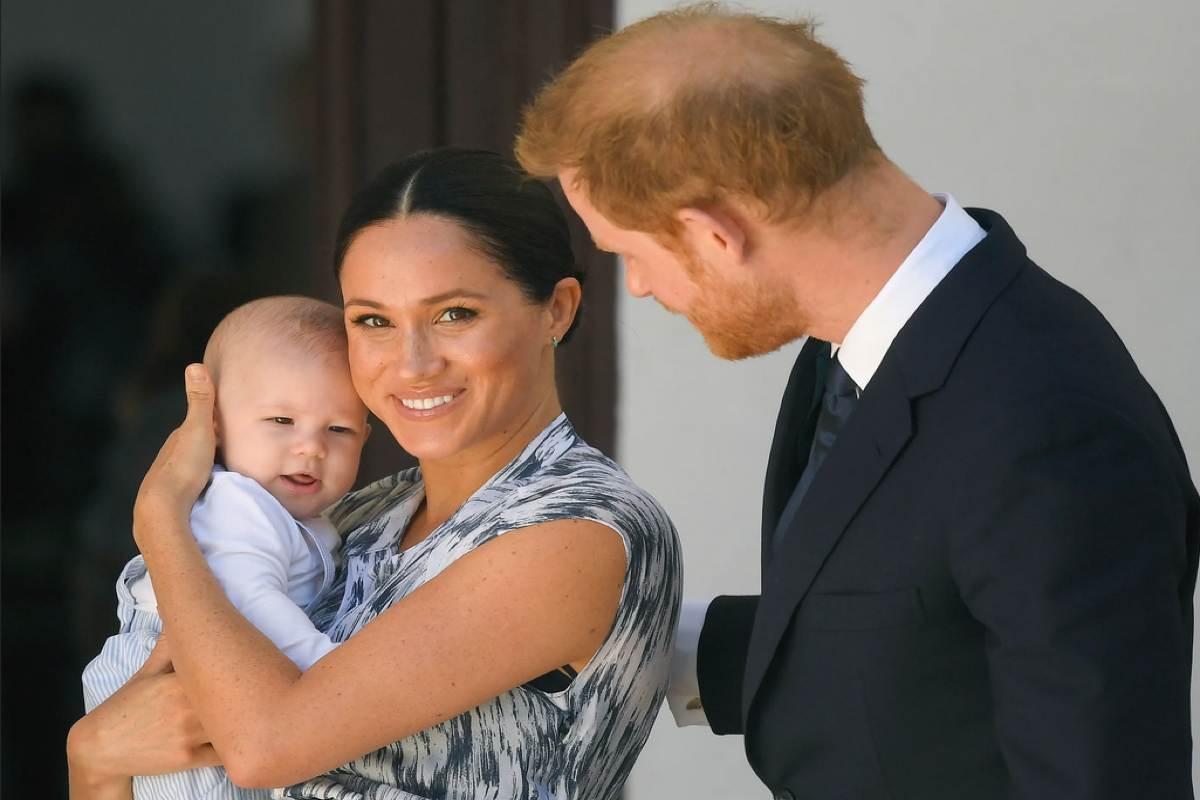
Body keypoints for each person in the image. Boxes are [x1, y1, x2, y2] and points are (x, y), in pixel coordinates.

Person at [515, 6, 1199, 799]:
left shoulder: (1048, 425)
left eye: (629, 254)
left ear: (713, 234)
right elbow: (909, 641)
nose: (638, 286)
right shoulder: (862, 339)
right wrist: (617, 635)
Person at [66, 148, 683, 800]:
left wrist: (161, 520)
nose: (411, 364)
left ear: (555, 310)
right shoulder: (353, 517)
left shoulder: (577, 528)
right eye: (373, 321)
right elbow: (148, 756)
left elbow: (262, 747)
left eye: (454, 314)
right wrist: (92, 757)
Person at [81, 295, 369, 799]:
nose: (311, 446)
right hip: (169, 679)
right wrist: (330, 675)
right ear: (214, 424)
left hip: (212, 683)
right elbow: (252, 602)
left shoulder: (307, 517)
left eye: (339, 429)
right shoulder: (237, 504)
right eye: (282, 421)